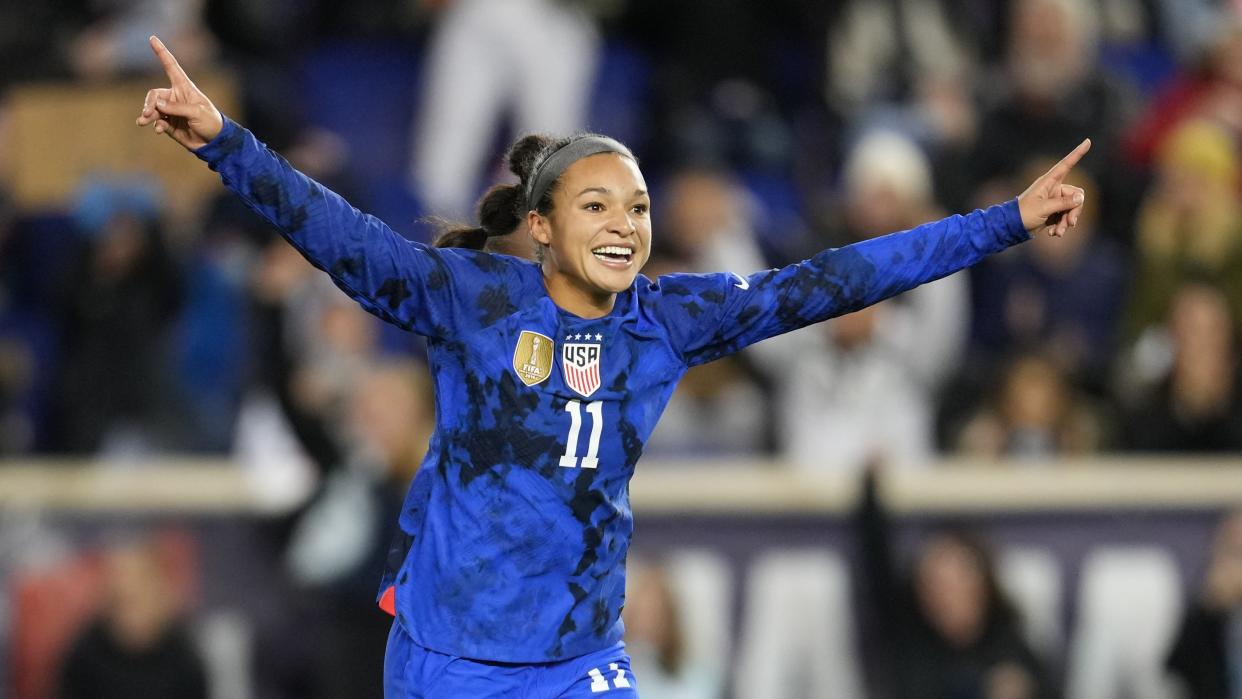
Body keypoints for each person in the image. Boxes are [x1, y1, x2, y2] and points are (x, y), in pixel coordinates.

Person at [136, 35, 1090, 698]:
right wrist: (225, 143)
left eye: (636, 208)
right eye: (597, 207)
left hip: (579, 656)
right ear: (543, 228)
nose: (625, 225)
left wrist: (1003, 221)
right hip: (448, 657)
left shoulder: (669, 319)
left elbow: (835, 279)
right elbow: (338, 234)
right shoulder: (471, 298)